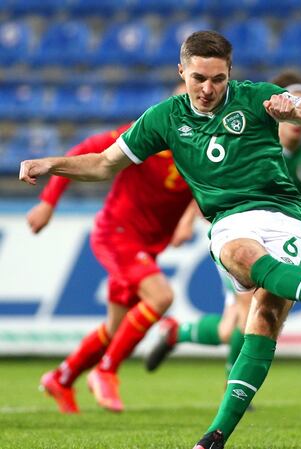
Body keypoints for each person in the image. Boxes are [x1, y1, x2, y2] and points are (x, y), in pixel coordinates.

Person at [19, 31, 301, 448]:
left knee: (263, 316)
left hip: (285, 215)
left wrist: (294, 108)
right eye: (198, 79)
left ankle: (214, 437)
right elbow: (104, 163)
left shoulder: (259, 97)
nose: (207, 89)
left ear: (230, 74)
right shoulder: (165, 118)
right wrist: (52, 163)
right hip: (229, 219)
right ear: (181, 72)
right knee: (239, 255)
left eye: (217, 79)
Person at [145, 71, 301, 377]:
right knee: (251, 313)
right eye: (294, 103)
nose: (298, 113)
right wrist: (188, 220)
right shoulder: (252, 131)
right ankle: (236, 383)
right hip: (236, 230)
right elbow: (211, 178)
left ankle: (177, 332)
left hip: (280, 230)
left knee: (232, 328)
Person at [27, 85, 195, 414]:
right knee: (161, 297)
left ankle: (61, 378)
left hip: (146, 245)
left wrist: (187, 221)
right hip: (117, 234)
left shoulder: (200, 149)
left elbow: (204, 190)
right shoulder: (144, 134)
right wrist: (48, 203)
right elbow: (83, 153)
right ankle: (105, 372)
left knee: (116, 329)